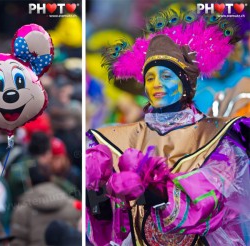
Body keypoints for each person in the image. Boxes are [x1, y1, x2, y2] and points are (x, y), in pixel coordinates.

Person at [86, 11, 250, 245]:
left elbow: (209, 202)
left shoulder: (218, 137)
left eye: (166, 75)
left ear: (185, 84)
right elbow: (113, 226)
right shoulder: (116, 138)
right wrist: (98, 194)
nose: (157, 85)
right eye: (150, 78)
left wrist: (157, 189)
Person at [10, 165, 80, 246]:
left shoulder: (22, 211)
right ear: (52, 178)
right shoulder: (73, 205)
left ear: (29, 182)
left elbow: (17, 242)